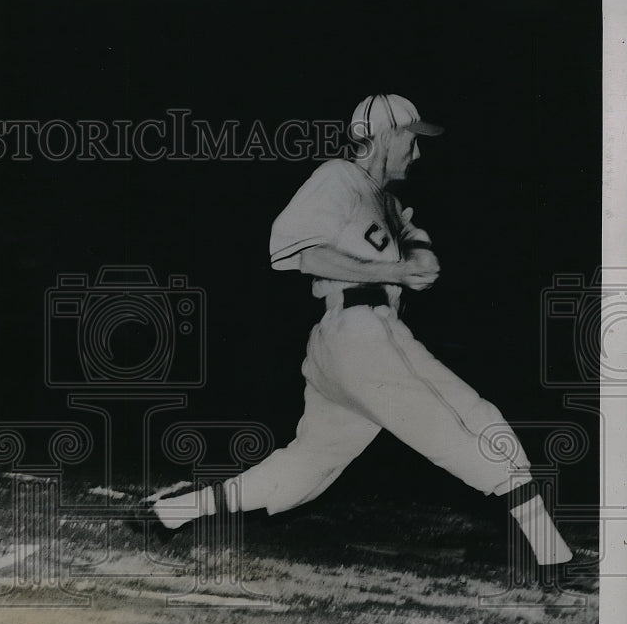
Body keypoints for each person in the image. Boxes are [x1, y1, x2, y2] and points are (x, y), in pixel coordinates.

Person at [131, 93, 576, 577]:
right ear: (384, 135)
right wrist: (400, 271)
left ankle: (172, 512)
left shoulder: (383, 198)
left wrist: (418, 252)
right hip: (363, 334)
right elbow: (298, 253)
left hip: (342, 346)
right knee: (478, 425)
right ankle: (555, 559)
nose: (418, 152)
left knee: (306, 468)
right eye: (411, 139)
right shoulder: (337, 177)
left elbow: (406, 230)